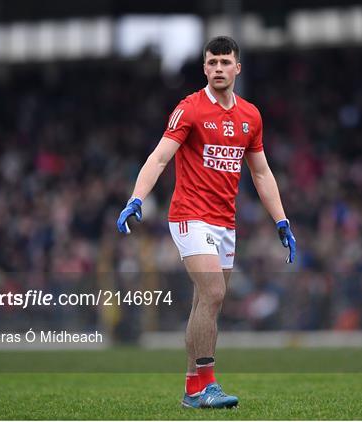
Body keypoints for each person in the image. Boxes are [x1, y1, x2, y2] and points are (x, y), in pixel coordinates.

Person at [117, 36, 296, 409]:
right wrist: (136, 198)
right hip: (189, 217)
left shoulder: (251, 116)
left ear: (237, 68)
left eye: (224, 62)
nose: (218, 68)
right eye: (212, 62)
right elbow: (160, 157)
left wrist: (281, 220)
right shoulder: (190, 110)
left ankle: (190, 390)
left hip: (224, 223)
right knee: (214, 293)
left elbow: (261, 173)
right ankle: (209, 384)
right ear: (204, 68)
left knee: (205, 303)